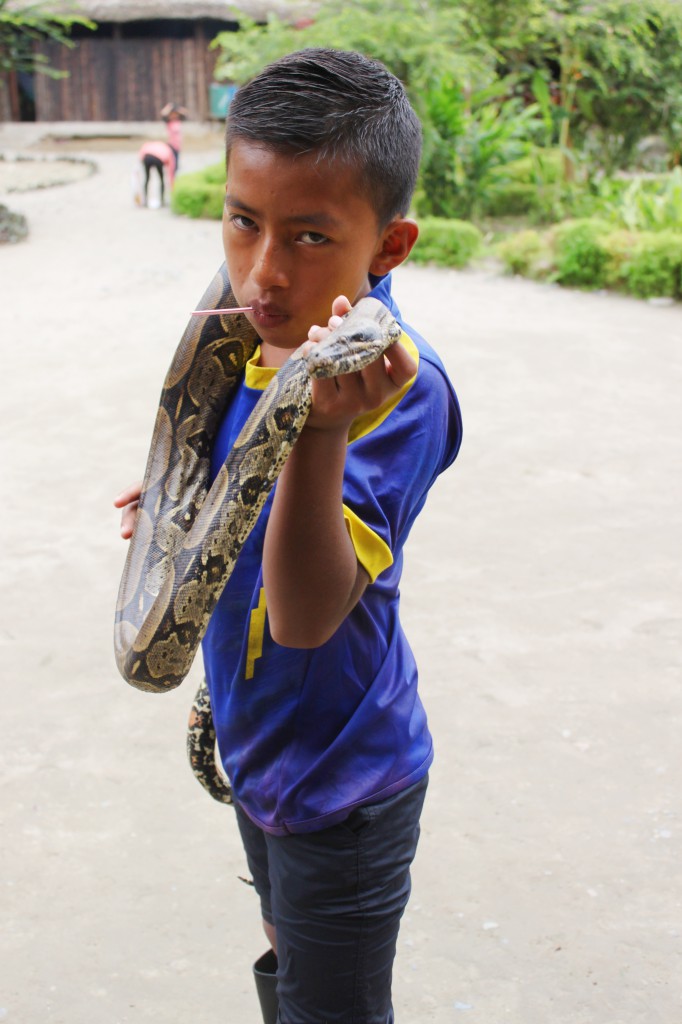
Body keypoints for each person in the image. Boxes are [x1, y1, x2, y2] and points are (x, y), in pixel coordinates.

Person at [115, 48, 462, 1024]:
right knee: (284, 953)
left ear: (389, 248)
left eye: (311, 236)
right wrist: (172, 502)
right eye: (242, 221)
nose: (263, 271)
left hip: (344, 781)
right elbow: (223, 465)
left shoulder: (391, 387)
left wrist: (318, 431)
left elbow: (307, 616)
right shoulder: (253, 332)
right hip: (260, 742)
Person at [137, 139, 176, 207]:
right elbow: (171, 169)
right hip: (158, 159)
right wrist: (172, 183)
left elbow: (142, 153)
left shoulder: (152, 144)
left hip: (147, 157)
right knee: (161, 180)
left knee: (147, 178)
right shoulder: (169, 150)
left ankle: (145, 200)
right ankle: (162, 200)